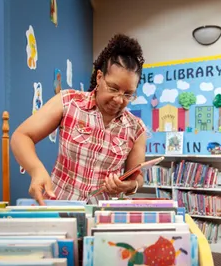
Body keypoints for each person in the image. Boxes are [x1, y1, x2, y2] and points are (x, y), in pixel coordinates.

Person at [11, 34, 147, 205]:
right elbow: (21, 136)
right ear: (99, 77)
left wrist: (128, 185)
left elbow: (137, 176)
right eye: (113, 88)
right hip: (59, 207)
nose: (119, 100)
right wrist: (36, 170)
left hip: (103, 216)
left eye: (128, 94)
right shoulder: (69, 102)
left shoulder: (136, 128)